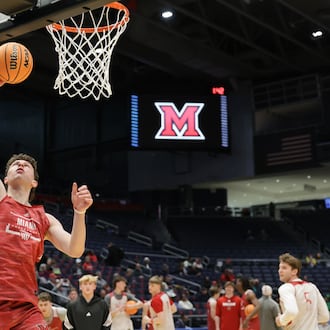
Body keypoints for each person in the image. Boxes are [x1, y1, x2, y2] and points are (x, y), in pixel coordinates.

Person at [0, 153, 93, 329]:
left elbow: (75, 249)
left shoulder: (45, 219)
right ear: (5, 179)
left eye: (26, 165)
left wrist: (80, 213)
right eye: (15, 164)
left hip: (25, 309)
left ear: (34, 182)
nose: (20, 165)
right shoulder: (1, 200)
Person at [276, 253, 329, 330]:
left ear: (294, 271)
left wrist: (280, 320)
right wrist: (308, 321)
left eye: (284, 268)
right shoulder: (312, 287)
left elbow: (292, 311)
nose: (280, 271)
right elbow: (325, 316)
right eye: (279, 268)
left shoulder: (286, 287)